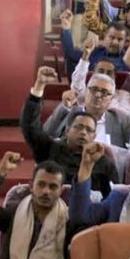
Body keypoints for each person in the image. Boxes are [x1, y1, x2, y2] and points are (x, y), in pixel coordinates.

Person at [22, 66, 118, 196]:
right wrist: (39, 87)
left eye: (89, 130)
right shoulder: (49, 149)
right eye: (78, 127)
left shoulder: (104, 163)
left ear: (94, 136)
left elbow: (111, 199)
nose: (83, 132)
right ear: (67, 130)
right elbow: (29, 126)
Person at [42, 68, 130, 149]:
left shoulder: (120, 120)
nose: (98, 95)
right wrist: (64, 106)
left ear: (111, 99)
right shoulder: (70, 113)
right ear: (86, 92)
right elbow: (46, 134)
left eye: (104, 92)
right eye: (94, 89)